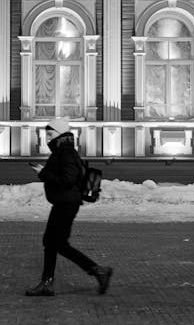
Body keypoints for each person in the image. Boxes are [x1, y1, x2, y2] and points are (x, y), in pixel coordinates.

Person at [25, 117, 113, 297]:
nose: (47, 138)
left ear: (58, 134)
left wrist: (43, 173)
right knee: (52, 243)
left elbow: (68, 179)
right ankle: (49, 282)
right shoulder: (63, 151)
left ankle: (97, 271)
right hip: (64, 202)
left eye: (50, 134)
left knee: (56, 243)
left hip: (66, 203)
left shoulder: (65, 152)